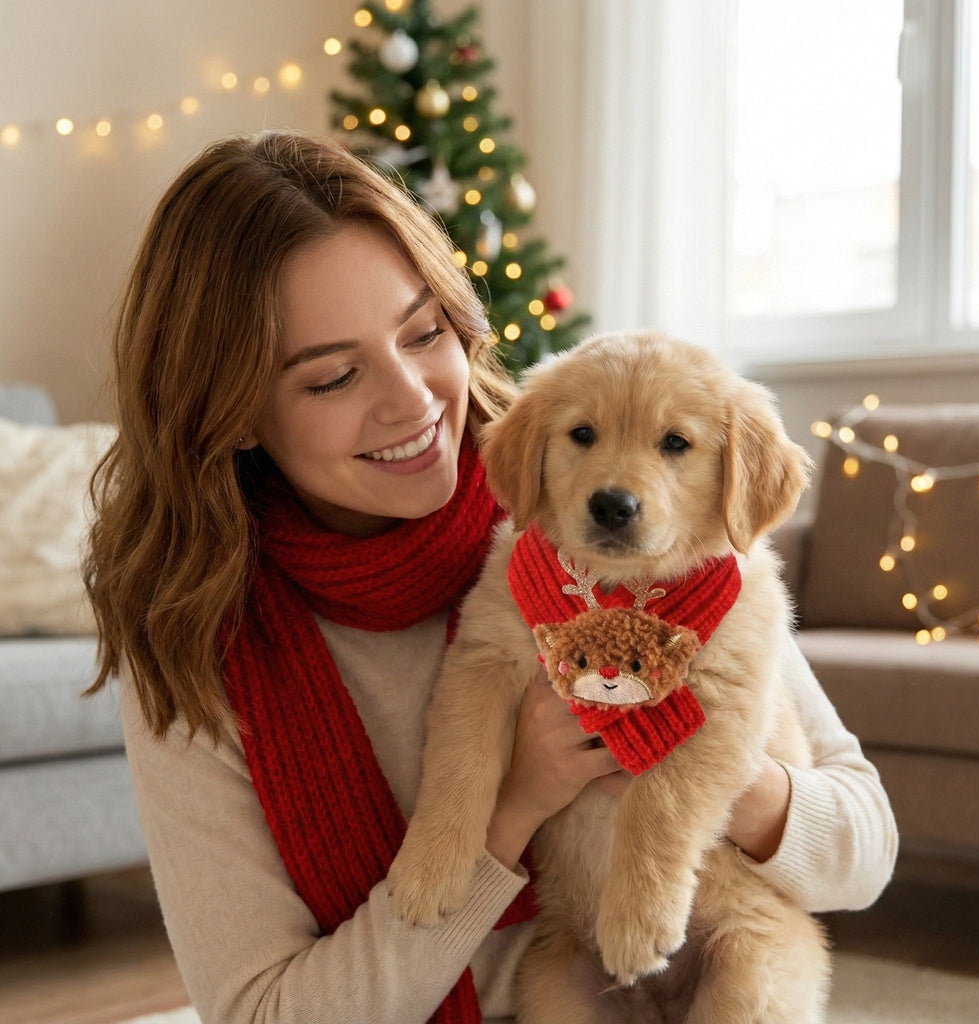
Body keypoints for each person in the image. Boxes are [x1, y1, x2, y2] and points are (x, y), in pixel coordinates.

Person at [85, 130, 897, 1024]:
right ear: (231, 412)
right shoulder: (199, 645)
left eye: (424, 332)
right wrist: (513, 810)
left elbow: (864, 847)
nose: (414, 399)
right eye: (334, 377)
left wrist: (702, 766)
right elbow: (265, 1013)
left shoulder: (643, 541)